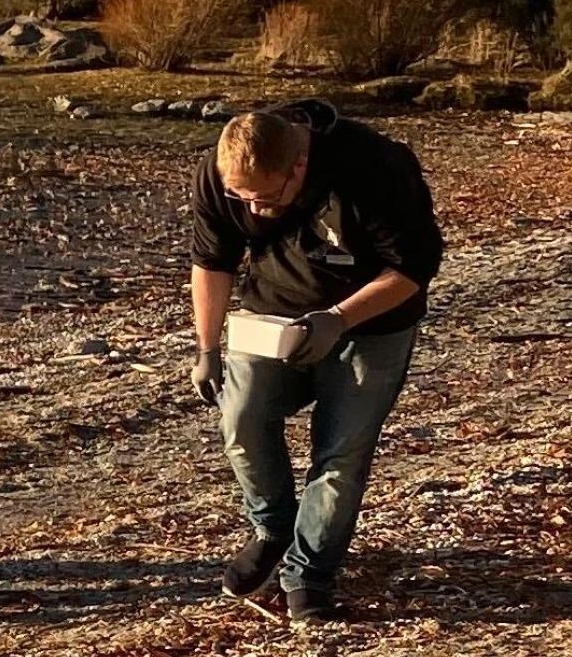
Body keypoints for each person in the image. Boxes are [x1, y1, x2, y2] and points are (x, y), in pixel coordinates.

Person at [189, 105, 443, 626]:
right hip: (273, 315)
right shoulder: (222, 174)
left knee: (341, 454)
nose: (255, 212)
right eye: (242, 198)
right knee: (240, 416)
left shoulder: (374, 168)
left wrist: (338, 319)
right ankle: (273, 528)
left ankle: (309, 571)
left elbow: (414, 268)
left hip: (374, 323)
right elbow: (213, 261)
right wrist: (208, 348)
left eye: (267, 199)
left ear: (298, 167)